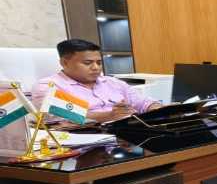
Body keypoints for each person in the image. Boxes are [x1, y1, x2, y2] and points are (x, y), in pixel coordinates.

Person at [32, 39, 161, 123]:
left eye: (99, 62)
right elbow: (60, 116)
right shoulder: (49, 86)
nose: (96, 68)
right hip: (85, 140)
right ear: (65, 62)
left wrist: (159, 109)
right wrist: (109, 116)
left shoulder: (113, 82)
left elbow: (143, 103)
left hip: (127, 134)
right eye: (87, 63)